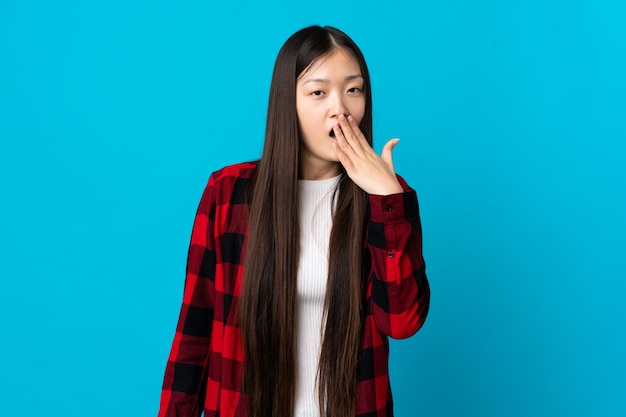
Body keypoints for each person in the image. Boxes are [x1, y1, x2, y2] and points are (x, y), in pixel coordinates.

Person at [158, 25, 430, 417]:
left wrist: (387, 200)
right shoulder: (228, 192)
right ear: (289, 102)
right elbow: (193, 335)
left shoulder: (388, 200)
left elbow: (402, 322)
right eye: (318, 92)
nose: (340, 108)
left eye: (353, 90)